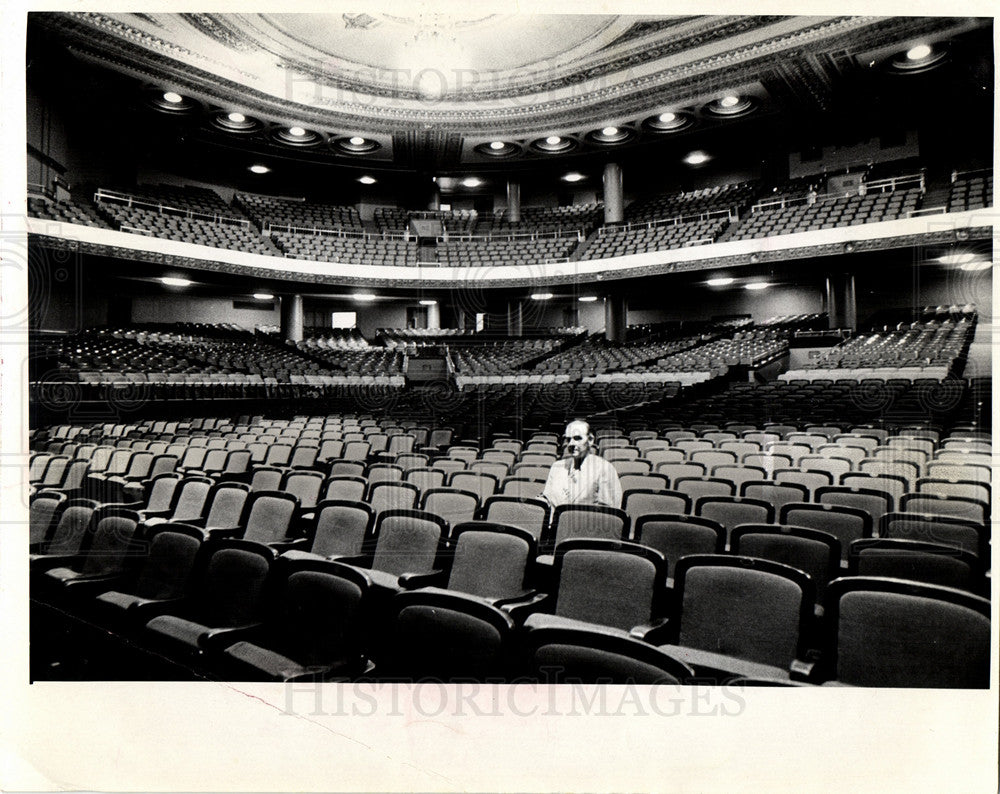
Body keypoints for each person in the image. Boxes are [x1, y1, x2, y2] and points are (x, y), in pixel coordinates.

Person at [541, 419, 623, 509]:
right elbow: (547, 499)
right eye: (568, 439)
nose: (571, 444)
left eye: (577, 438)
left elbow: (610, 514)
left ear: (590, 440)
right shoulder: (557, 467)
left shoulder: (605, 469)